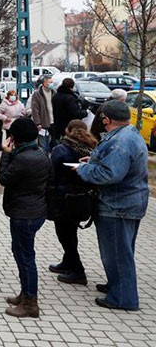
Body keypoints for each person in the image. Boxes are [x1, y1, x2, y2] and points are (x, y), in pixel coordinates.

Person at [76, 100, 149, 311]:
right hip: (129, 203)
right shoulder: (129, 134)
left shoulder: (120, 142)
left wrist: (84, 170)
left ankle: (123, 298)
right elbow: (115, 164)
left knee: (117, 253)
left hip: (118, 206)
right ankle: (116, 285)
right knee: (121, 250)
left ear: (106, 119)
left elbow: (110, 174)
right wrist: (93, 160)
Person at [0, 118, 52, 318]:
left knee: (25, 257)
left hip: (24, 213)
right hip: (35, 210)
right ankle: (25, 293)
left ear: (15, 137)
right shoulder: (40, 153)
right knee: (21, 252)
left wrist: (5, 154)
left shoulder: (23, 158)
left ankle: (30, 303)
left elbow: (3, 177)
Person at [47, 120, 97, 285]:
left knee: (65, 234)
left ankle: (77, 270)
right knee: (70, 232)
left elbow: (51, 172)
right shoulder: (92, 149)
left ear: (67, 131)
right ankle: (67, 262)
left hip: (63, 198)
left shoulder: (61, 149)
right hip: (82, 198)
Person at [30, 74, 55, 148]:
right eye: (50, 82)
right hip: (43, 123)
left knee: (53, 143)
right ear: (44, 83)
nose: (51, 84)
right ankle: (44, 158)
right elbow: (35, 110)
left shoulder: (54, 92)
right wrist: (38, 123)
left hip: (53, 122)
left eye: (52, 82)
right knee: (43, 144)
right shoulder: (37, 94)